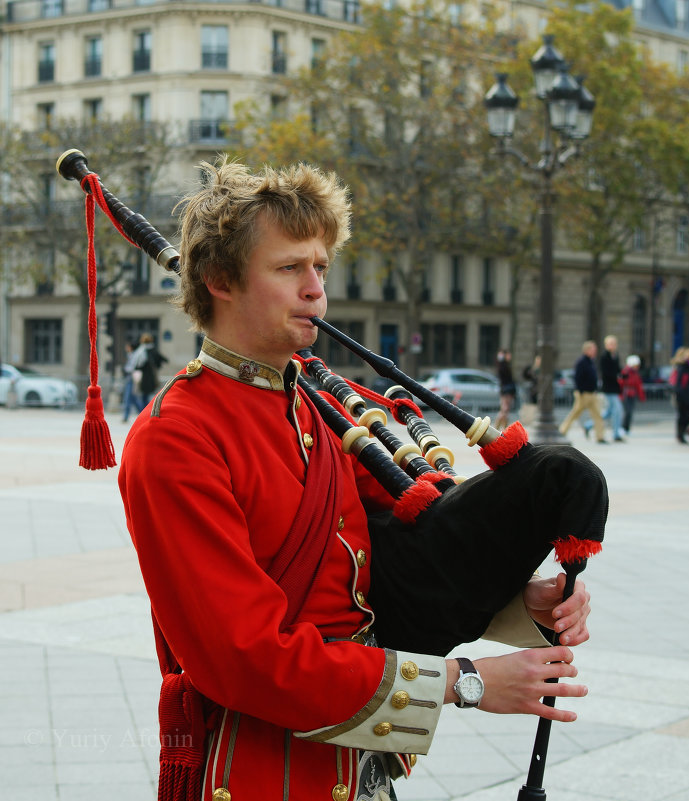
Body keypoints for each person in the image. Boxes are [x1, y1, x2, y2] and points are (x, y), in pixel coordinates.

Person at [118, 159, 597, 801]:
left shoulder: (320, 410)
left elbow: (379, 578)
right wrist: (465, 682)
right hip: (262, 773)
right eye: (290, 268)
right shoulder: (175, 437)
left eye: (321, 267)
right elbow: (246, 661)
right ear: (218, 280)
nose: (316, 289)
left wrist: (521, 602)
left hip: (358, 767)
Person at [558, 340, 606, 442]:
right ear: (587, 350)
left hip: (592, 393)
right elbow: (577, 378)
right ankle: (562, 431)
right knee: (575, 413)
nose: (595, 351)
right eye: (593, 349)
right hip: (584, 394)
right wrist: (580, 391)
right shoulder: (581, 362)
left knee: (597, 415)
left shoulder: (591, 361)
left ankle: (600, 436)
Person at [131, 332, 168, 404]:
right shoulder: (153, 350)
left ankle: (144, 411)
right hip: (151, 376)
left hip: (143, 377)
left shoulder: (140, 351)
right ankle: (149, 410)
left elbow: (136, 365)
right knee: (150, 395)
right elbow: (163, 359)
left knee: (143, 396)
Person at [672, 347, 689, 444]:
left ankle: (682, 433)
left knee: (688, 414)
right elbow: (681, 383)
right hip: (683, 395)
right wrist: (681, 395)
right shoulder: (684, 368)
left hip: (688, 395)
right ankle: (681, 434)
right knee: (684, 415)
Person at [619, 354, 646, 434]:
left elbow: (638, 385)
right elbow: (621, 383)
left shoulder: (636, 374)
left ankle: (627, 428)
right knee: (627, 412)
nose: (637, 367)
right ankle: (623, 427)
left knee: (630, 412)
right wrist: (620, 395)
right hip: (625, 394)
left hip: (632, 395)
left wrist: (641, 396)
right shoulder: (625, 372)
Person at [121, 340, 144, 422]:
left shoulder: (134, 355)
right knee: (133, 398)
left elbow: (132, 367)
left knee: (128, 397)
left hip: (131, 377)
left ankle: (126, 416)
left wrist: (125, 369)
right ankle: (142, 413)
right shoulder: (130, 355)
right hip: (130, 377)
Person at [494, 349, 517, 429]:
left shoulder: (503, 366)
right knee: (505, 409)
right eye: (508, 355)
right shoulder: (503, 366)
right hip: (506, 390)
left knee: (505, 410)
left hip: (506, 390)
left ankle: (504, 428)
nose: (509, 356)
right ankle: (498, 427)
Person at [520, 353, 541, 427]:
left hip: (539, 391)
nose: (539, 361)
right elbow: (526, 376)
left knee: (538, 406)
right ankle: (532, 420)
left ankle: (536, 419)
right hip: (533, 391)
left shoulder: (541, 370)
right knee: (532, 405)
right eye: (537, 360)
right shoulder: (533, 370)